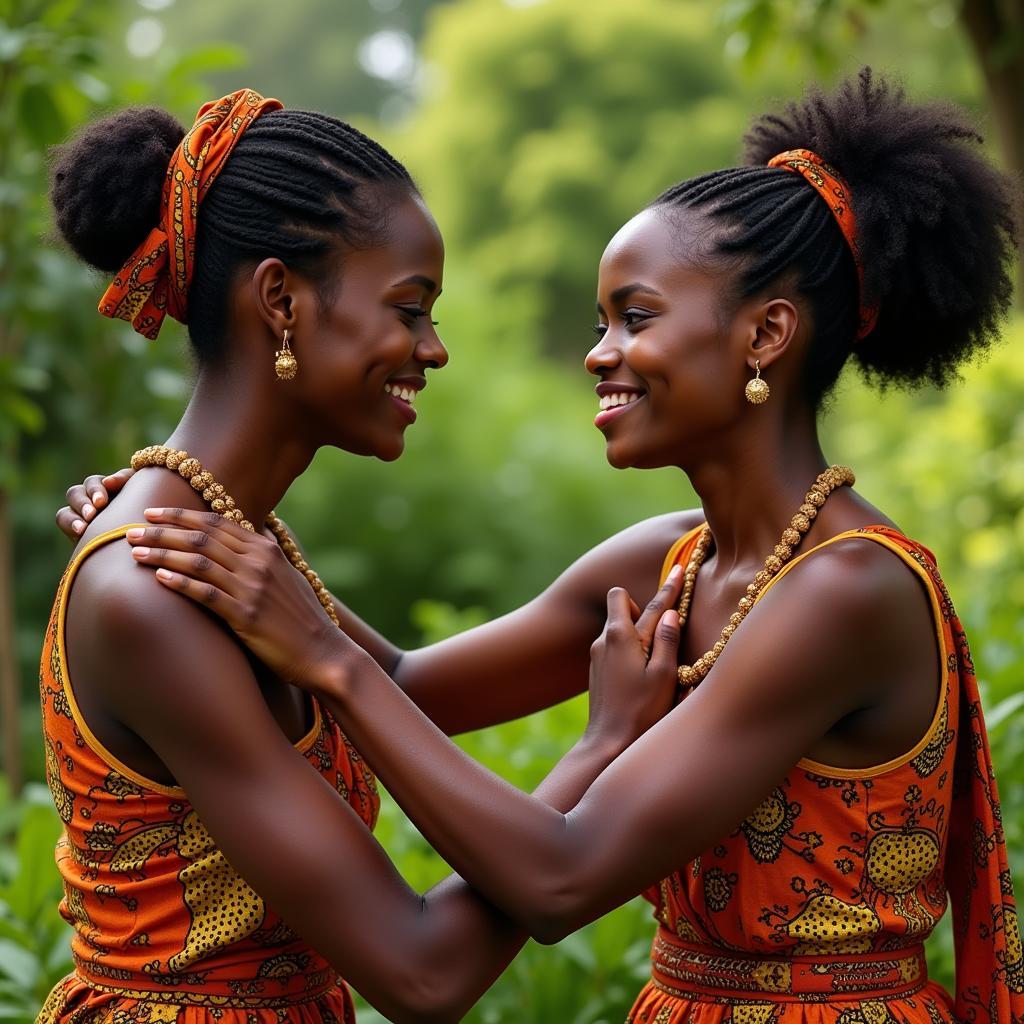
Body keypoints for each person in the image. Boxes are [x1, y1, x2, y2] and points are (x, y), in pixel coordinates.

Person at [74, 70, 1023, 1023]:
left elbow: (550, 873)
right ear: (278, 303)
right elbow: (402, 688)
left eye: (636, 317)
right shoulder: (665, 566)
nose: (598, 353)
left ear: (767, 336)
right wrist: (196, 519)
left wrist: (307, 633)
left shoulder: (843, 590)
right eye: (411, 308)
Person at [38, 88, 688, 1024]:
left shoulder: (234, 540)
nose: (434, 348)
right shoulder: (153, 589)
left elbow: (401, 693)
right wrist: (605, 744)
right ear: (280, 300)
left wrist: (697, 540)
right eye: (409, 308)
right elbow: (422, 971)